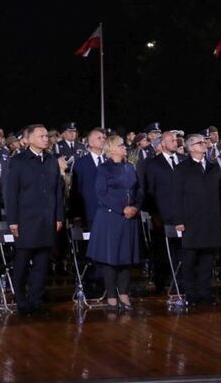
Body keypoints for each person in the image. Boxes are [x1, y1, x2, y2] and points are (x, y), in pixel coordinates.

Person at [4, 123, 64, 315]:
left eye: (47, 136)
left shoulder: (51, 160)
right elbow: (11, 193)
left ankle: (36, 301)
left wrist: (59, 216)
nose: (46, 139)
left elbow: (58, 191)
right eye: (41, 136)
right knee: (21, 263)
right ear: (28, 139)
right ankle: (21, 301)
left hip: (47, 220)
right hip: (25, 221)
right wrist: (12, 220)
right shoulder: (18, 161)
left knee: (42, 264)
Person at [171, 133, 221, 304]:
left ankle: (205, 292)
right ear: (190, 148)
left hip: (211, 220)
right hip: (191, 221)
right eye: (199, 142)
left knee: (207, 259)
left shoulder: (213, 167)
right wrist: (178, 220)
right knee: (189, 259)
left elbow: (220, 195)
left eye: (204, 142)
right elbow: (176, 196)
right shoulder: (182, 168)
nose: (204, 144)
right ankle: (191, 293)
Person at [86, 135, 140, 309]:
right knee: (110, 257)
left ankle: (124, 294)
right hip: (111, 217)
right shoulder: (104, 168)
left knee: (125, 256)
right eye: (121, 145)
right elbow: (101, 193)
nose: (125, 148)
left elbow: (138, 190)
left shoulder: (130, 167)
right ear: (112, 149)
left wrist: (135, 207)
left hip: (129, 217)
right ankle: (111, 295)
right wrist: (122, 208)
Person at [141, 129, 182, 293]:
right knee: (162, 251)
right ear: (163, 143)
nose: (176, 142)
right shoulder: (153, 164)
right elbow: (149, 190)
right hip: (162, 215)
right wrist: (154, 213)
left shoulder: (183, 160)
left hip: (182, 214)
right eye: (172, 140)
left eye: (176, 140)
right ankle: (161, 282)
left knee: (181, 250)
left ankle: (180, 280)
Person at [70, 127, 107, 228]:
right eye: (99, 138)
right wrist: (76, 213)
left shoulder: (110, 161)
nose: (103, 140)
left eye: (104, 138)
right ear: (90, 142)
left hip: (109, 212)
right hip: (89, 213)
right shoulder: (81, 163)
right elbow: (76, 189)